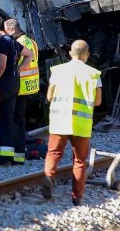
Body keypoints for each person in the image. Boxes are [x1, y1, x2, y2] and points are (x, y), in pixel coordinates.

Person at [42, 40, 102, 206]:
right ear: (87, 55)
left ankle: (49, 176)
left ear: (70, 53)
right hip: (80, 125)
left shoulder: (58, 71)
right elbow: (98, 102)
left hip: (59, 121)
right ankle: (77, 197)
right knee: (79, 161)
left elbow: (49, 97)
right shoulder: (93, 74)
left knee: (53, 153)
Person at [0, 16, 33, 165]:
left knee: (3, 120)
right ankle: (14, 156)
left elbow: (1, 66)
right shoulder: (13, 41)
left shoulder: (2, 42)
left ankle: (4, 157)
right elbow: (29, 55)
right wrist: (18, 69)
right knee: (10, 120)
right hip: (15, 83)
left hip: (4, 85)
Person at [4, 18, 40, 165]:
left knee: (16, 120)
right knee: (20, 119)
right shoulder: (31, 41)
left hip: (20, 86)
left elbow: (24, 60)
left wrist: (17, 70)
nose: (7, 35)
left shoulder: (18, 43)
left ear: (12, 30)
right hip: (30, 85)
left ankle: (18, 152)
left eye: (7, 32)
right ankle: (19, 151)